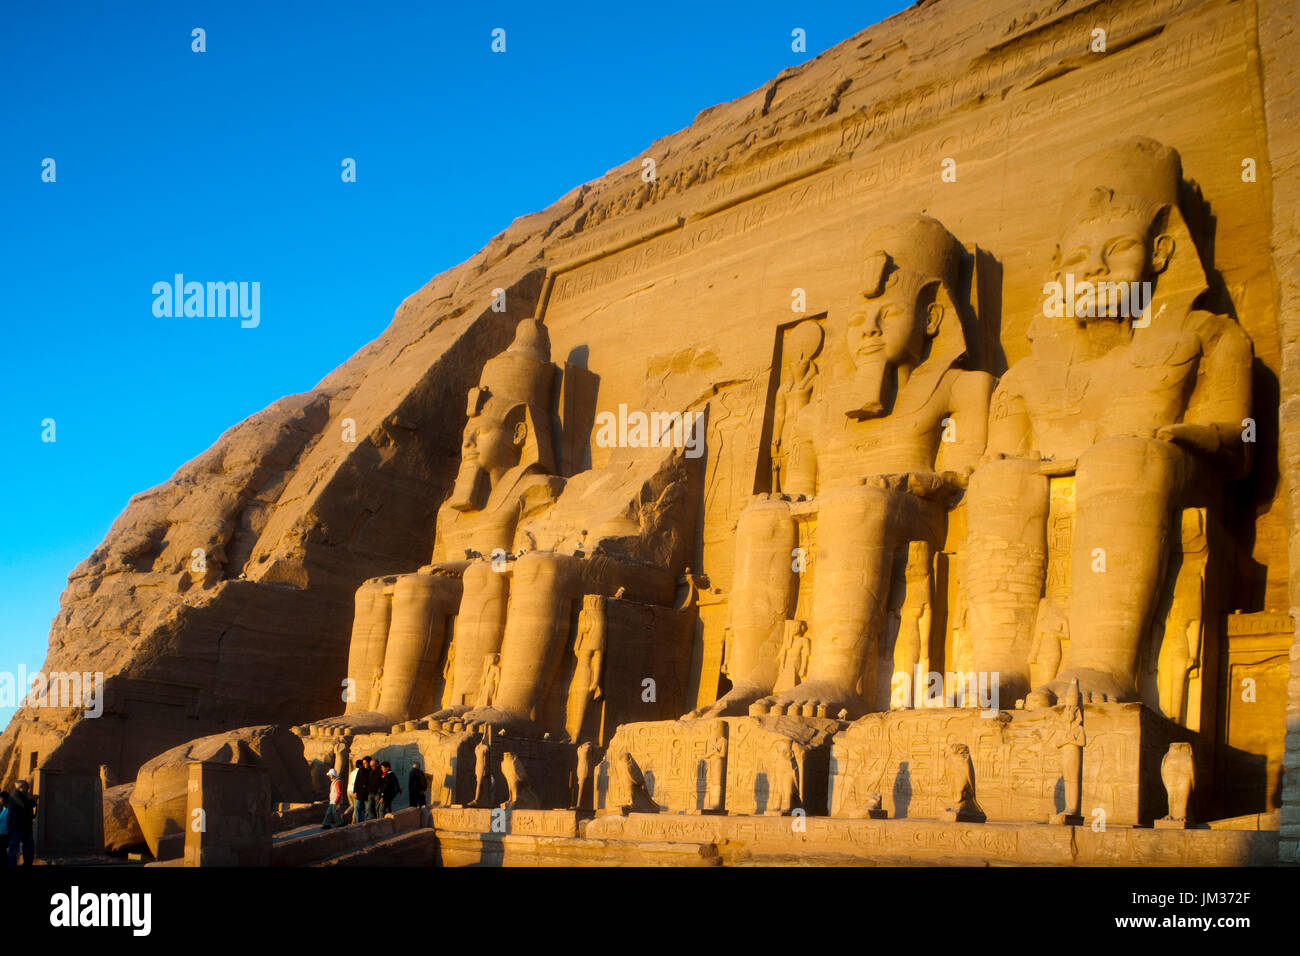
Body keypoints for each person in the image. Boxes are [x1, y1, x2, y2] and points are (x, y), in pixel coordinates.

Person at [7, 780, 37, 866]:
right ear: (21, 787)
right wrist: (33, 800)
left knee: (29, 848)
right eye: (26, 787)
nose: (28, 788)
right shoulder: (15, 795)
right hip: (16, 827)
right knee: (14, 849)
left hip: (25, 827)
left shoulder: (22, 796)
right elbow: (25, 804)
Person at [347, 758, 366, 824]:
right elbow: (357, 783)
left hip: (348, 790)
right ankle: (353, 820)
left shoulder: (352, 772)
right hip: (354, 791)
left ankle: (345, 812)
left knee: (352, 805)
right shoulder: (360, 772)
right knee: (356, 807)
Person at [365, 757, 383, 821]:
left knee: (377, 809)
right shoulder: (370, 771)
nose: (372, 767)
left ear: (377, 765)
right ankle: (372, 821)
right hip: (370, 793)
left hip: (377, 793)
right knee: (369, 808)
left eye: (373, 766)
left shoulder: (380, 771)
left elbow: (382, 783)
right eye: (371, 766)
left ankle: (378, 821)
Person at [0, 791, 9, 868]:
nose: (0, 800)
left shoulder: (9, 809)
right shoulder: (4, 808)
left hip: (5, 834)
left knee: (2, 851)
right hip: (1, 833)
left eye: (1, 799)